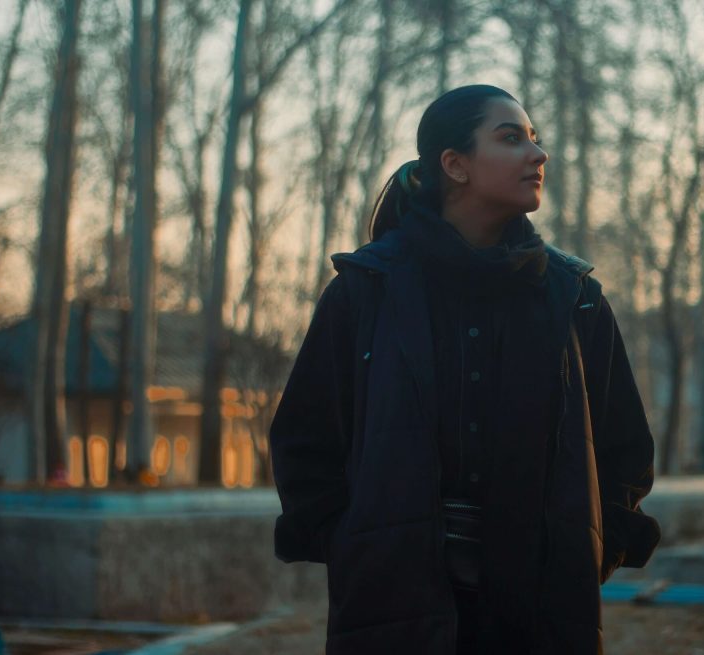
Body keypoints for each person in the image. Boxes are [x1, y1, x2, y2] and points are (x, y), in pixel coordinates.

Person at [269, 84, 661, 655]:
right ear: (454, 164)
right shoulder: (366, 291)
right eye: (510, 138)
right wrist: (360, 545)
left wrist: (587, 548)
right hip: (392, 604)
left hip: (540, 608)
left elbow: (623, 447)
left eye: (534, 137)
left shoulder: (574, 298)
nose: (537, 154)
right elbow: (306, 441)